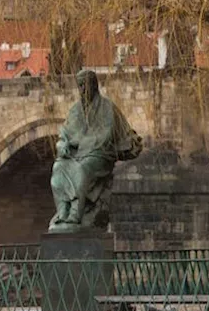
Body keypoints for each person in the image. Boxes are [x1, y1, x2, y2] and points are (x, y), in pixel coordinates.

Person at [49, 69, 143, 232]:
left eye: (85, 85)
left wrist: (82, 143)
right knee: (58, 168)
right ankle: (63, 210)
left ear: (94, 85)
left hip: (99, 154)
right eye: (80, 86)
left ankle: (75, 214)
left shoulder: (107, 107)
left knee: (82, 169)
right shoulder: (75, 110)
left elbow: (104, 135)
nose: (82, 90)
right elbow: (65, 133)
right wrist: (63, 144)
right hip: (77, 154)